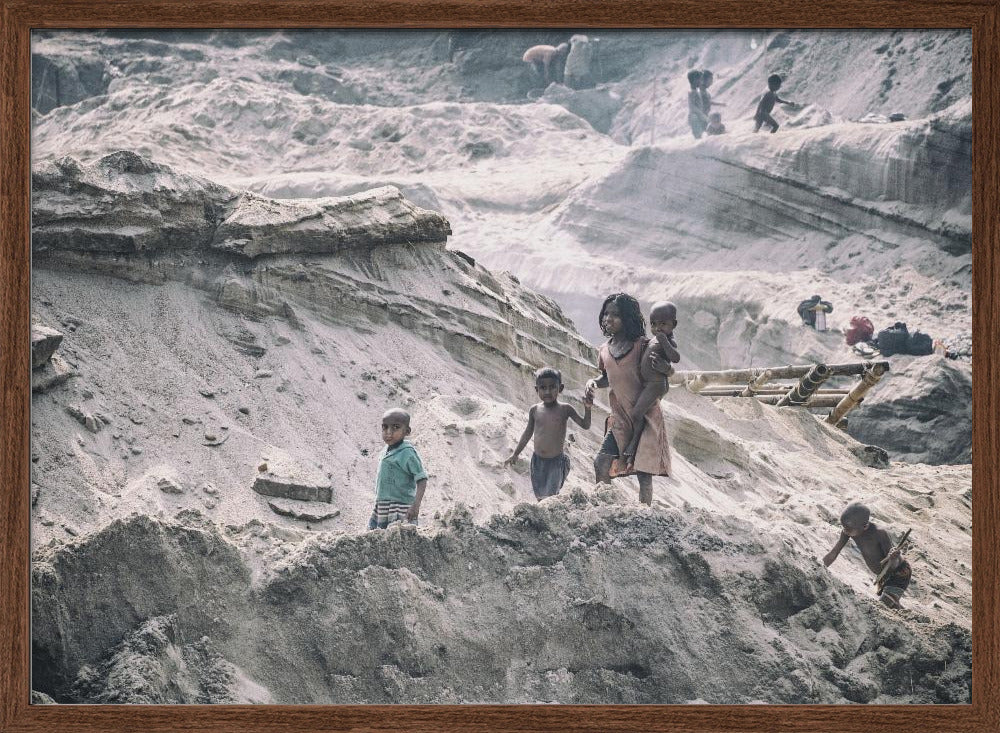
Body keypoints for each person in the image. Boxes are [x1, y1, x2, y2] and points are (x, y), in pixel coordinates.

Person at [585, 293, 673, 505]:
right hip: (620, 419)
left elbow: (661, 378)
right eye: (606, 313)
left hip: (646, 416)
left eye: (616, 314)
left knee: (644, 473)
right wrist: (594, 383)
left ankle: (644, 514)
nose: (608, 318)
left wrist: (668, 370)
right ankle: (606, 507)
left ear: (628, 317)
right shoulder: (604, 350)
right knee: (601, 463)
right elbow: (607, 377)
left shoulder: (643, 345)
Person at [505, 367, 593, 500]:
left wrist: (588, 408)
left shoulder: (565, 409)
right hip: (537, 462)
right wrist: (516, 454)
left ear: (560, 388)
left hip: (555, 463)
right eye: (543, 388)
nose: (547, 391)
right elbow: (527, 433)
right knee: (540, 497)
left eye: (552, 387)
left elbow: (585, 425)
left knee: (550, 497)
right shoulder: (534, 410)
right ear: (537, 389)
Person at [620, 301, 681, 467]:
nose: (658, 328)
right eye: (654, 324)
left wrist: (664, 340)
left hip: (656, 384)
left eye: (663, 324)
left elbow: (675, 357)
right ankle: (635, 445)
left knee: (637, 413)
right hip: (648, 384)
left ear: (673, 324)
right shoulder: (653, 339)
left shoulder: (668, 340)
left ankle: (633, 445)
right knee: (639, 413)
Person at [823, 502, 912, 608]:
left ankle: (899, 608)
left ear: (865, 526)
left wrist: (893, 558)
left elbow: (893, 565)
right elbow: (834, 552)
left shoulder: (879, 534)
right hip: (882, 576)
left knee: (883, 605)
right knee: (890, 604)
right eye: (843, 527)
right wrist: (820, 566)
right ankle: (901, 609)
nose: (844, 531)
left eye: (848, 529)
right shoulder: (848, 532)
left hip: (899, 573)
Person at [368, 408, 429, 530]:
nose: (389, 433)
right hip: (382, 505)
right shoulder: (385, 451)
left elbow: (422, 479)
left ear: (407, 431)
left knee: (400, 540)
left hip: (400, 507)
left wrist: (415, 506)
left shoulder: (408, 453)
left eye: (395, 427)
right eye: (385, 427)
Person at [687, 69, 709, 139]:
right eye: (700, 79)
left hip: (699, 115)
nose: (701, 82)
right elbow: (692, 106)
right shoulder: (692, 92)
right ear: (694, 80)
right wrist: (701, 114)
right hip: (695, 117)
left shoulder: (696, 91)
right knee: (698, 136)